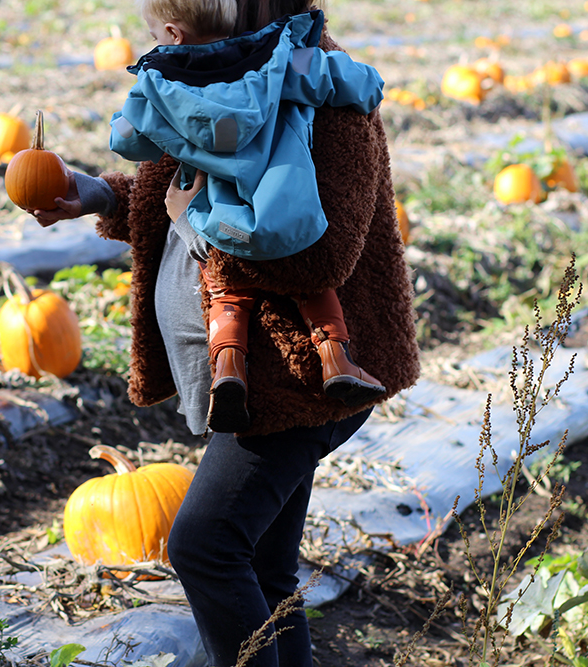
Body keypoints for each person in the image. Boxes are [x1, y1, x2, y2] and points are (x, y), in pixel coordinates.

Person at [29, 0, 421, 664]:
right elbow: (181, 194)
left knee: (204, 546)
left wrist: (195, 227)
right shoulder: (214, 66)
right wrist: (97, 194)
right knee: (267, 573)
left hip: (302, 380)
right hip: (262, 377)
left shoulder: (319, 88)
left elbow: (315, 258)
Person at [106, 0, 388, 433]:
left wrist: (139, 121)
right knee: (314, 290)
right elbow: (353, 82)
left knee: (225, 288)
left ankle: (229, 369)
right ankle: (335, 358)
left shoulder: (161, 85)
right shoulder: (279, 60)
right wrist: (368, 84)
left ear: (173, 33)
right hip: (284, 206)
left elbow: (126, 139)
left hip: (222, 218)